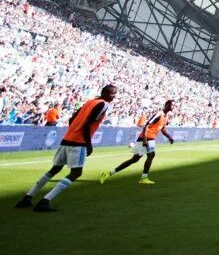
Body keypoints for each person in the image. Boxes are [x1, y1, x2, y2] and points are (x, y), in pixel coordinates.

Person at [16, 84, 117, 212]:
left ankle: (27, 197)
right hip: (78, 142)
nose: (114, 96)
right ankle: (45, 201)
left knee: (55, 169)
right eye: (112, 94)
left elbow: (72, 118)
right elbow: (87, 124)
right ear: (105, 93)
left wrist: (73, 131)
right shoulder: (103, 105)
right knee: (76, 173)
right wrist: (88, 143)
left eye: (115, 94)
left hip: (68, 138)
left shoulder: (90, 101)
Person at [101, 99, 175, 185]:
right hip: (146, 138)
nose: (174, 107)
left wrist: (169, 137)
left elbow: (162, 128)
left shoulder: (166, 116)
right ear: (167, 105)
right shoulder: (159, 114)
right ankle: (144, 178)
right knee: (151, 155)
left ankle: (109, 173)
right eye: (172, 105)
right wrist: (145, 140)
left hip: (150, 138)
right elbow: (146, 125)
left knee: (135, 159)